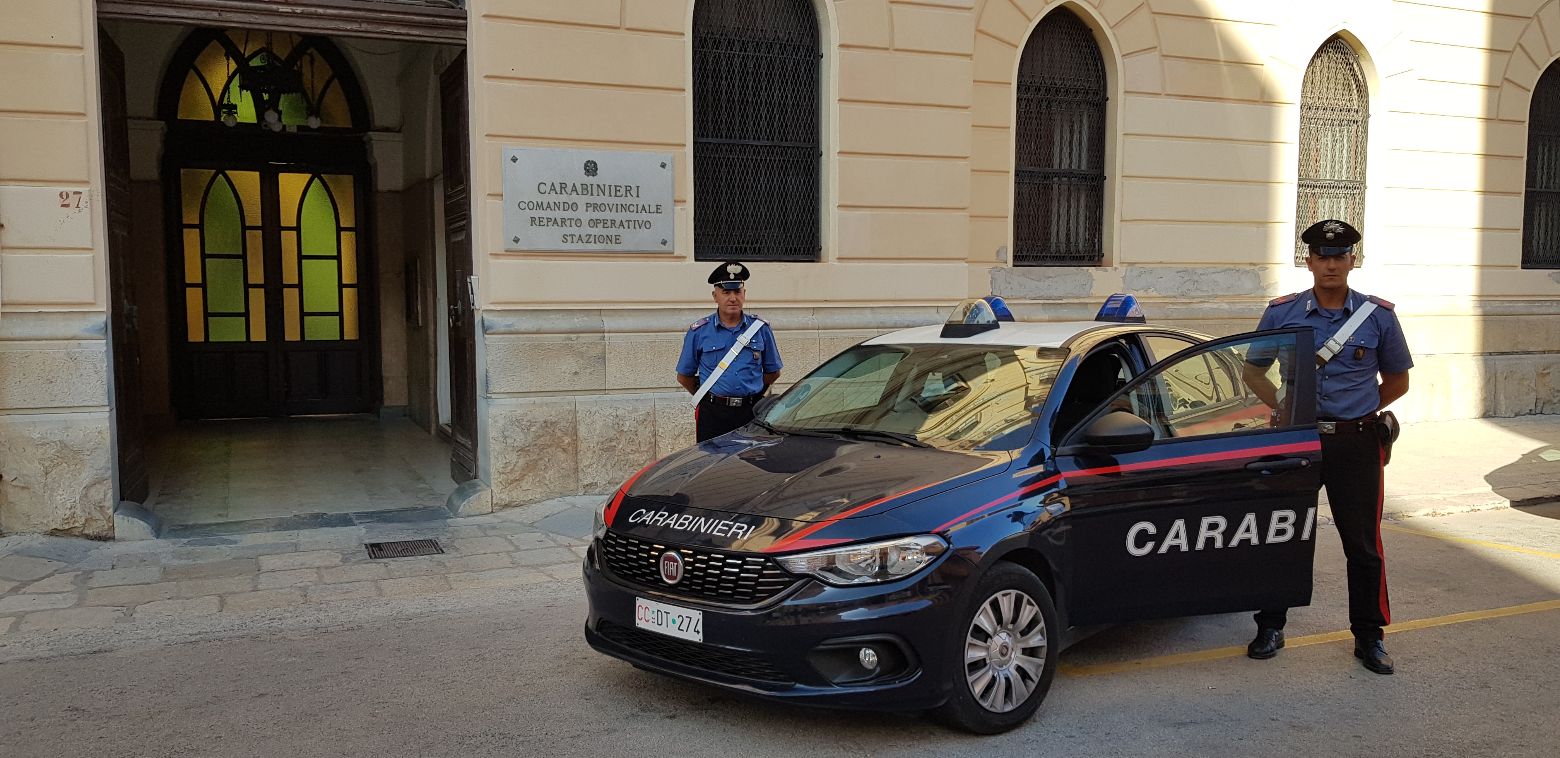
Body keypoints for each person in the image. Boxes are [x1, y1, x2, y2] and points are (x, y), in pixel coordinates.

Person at [1239, 219, 1412, 675]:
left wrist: (1359, 409)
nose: (1330, 264)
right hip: (1298, 438)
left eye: (1339, 256)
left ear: (1352, 261)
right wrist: (1283, 405)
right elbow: (1253, 371)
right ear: (1309, 261)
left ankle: (1370, 637)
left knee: (1363, 544)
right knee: (1284, 535)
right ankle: (1271, 625)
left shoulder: (1378, 317)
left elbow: (1398, 381)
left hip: (1355, 443)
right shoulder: (1282, 312)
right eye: (1322, 255)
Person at [676, 261, 783, 442]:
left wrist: (753, 393)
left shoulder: (760, 329)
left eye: (737, 292)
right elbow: (684, 376)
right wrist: (710, 396)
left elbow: (773, 372)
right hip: (713, 414)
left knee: (750, 465)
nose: (732, 298)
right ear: (715, 296)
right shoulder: (699, 331)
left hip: (751, 412)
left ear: (744, 294)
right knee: (712, 465)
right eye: (726, 292)